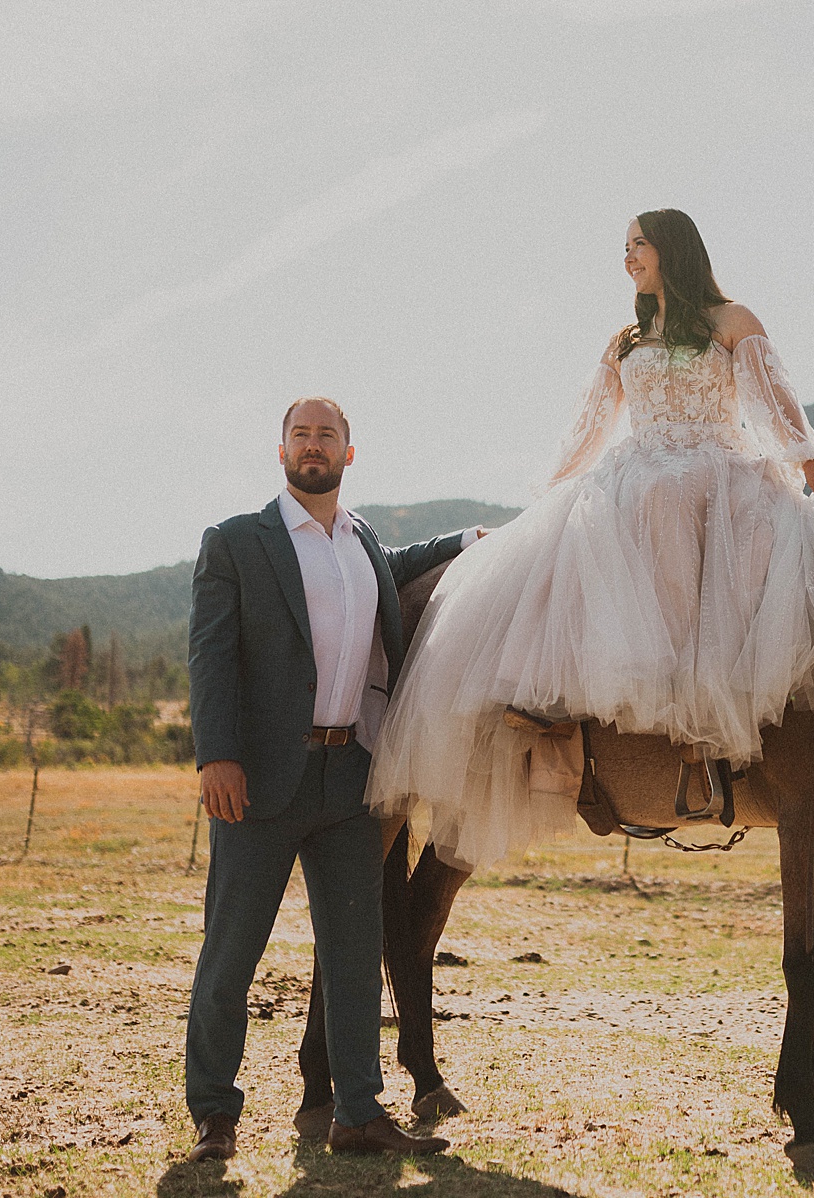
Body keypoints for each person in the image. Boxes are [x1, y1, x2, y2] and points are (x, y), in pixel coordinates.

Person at [366, 209, 814, 871]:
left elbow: (770, 398)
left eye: (639, 244)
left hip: (717, 469)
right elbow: (591, 424)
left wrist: (807, 462)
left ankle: (717, 727)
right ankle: (558, 719)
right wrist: (555, 489)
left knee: (718, 529)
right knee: (589, 531)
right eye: (626, 246)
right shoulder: (624, 341)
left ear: (673, 248)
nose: (629, 256)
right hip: (640, 469)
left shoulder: (731, 321)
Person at [183, 397, 477, 1162]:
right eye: (301, 434)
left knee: (351, 954)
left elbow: (405, 567)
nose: (313, 445)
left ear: (350, 454)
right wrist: (217, 753)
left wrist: (470, 538)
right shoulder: (237, 542)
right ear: (280, 448)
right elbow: (210, 656)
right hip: (258, 784)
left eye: (328, 436)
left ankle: (357, 1114)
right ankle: (215, 1111)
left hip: (350, 777)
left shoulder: (361, 540)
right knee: (232, 954)